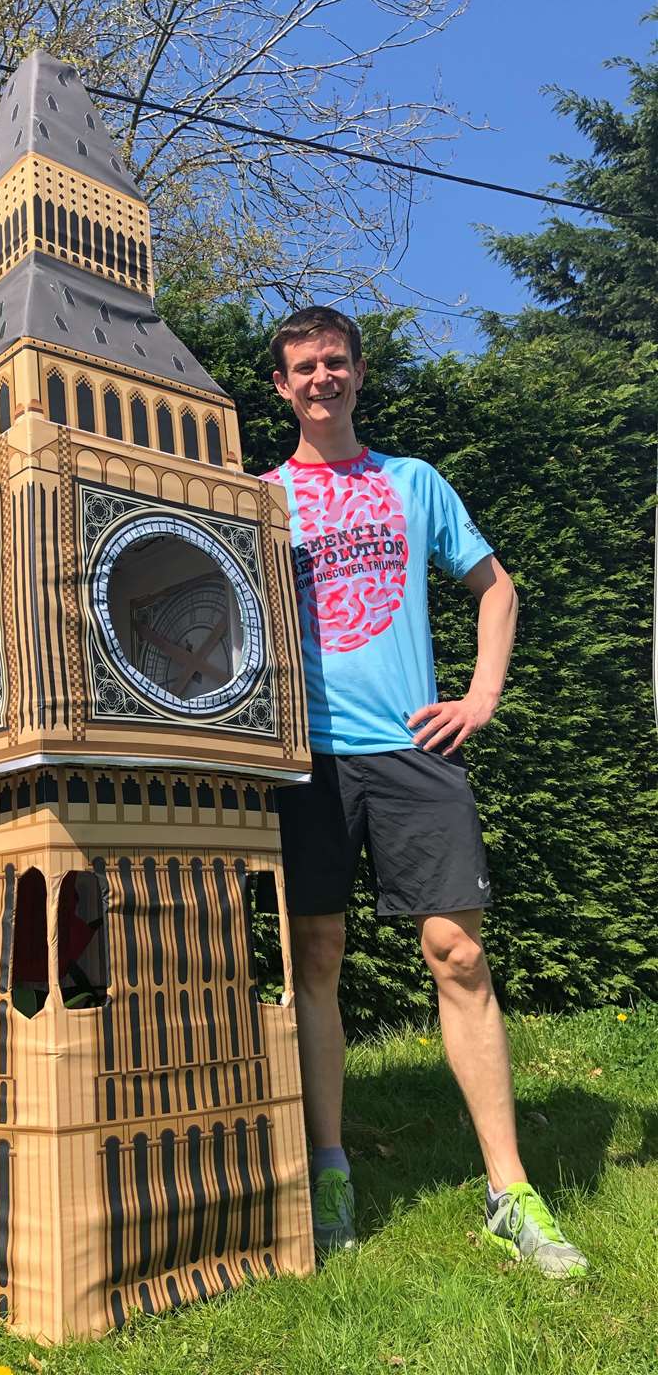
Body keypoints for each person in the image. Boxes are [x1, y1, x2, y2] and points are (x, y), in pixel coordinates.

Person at [262, 306, 587, 1278]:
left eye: (335, 362)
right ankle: (330, 1174)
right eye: (302, 368)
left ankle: (509, 1190)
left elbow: (497, 587)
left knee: (460, 955)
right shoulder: (259, 497)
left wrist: (480, 696)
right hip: (302, 760)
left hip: (415, 752)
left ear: (359, 375)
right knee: (314, 953)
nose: (321, 378)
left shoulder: (415, 484)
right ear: (280, 389)